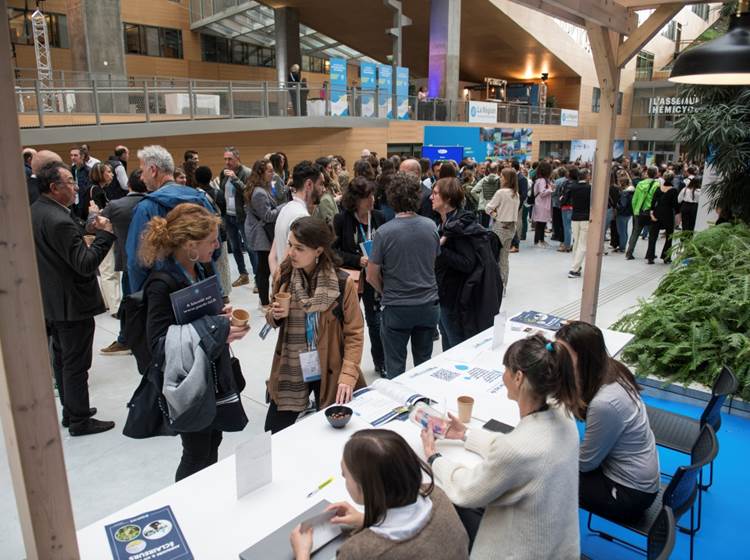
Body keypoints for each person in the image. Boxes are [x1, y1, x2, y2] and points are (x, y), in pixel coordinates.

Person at [421, 334, 581, 559]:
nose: (502, 375)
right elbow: (517, 450)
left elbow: (466, 490)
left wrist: (434, 458)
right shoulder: (563, 415)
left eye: (506, 369)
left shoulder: (517, 450)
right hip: (560, 546)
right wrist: (465, 434)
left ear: (518, 377)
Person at [139, 204, 249, 480]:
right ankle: (186, 506)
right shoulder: (162, 282)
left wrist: (217, 316)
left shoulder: (195, 269)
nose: (217, 246)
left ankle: (204, 496)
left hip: (208, 374)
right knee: (196, 451)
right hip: (188, 383)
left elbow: (194, 318)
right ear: (190, 245)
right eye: (212, 241)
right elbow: (158, 342)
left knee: (212, 441)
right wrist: (216, 329)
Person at [32, 161, 117, 436]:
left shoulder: (39, 211)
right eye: (70, 181)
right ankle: (79, 419)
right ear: (54, 188)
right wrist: (106, 235)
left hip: (53, 300)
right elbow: (84, 263)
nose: (76, 186)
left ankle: (72, 411)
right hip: (72, 302)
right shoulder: (57, 220)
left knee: (62, 359)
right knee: (77, 364)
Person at [290, 430, 469, 560]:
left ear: (366, 487)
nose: (342, 476)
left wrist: (302, 553)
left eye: (345, 473)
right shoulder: (436, 495)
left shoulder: (359, 551)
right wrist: (365, 519)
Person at [265, 217, 364, 433]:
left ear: (318, 251)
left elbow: (354, 332)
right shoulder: (284, 274)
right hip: (292, 364)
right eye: (290, 244)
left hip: (329, 364)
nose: (291, 252)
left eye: (299, 248)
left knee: (332, 430)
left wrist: (348, 375)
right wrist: (276, 315)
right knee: (275, 431)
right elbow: (271, 314)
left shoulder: (340, 282)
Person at [556, 321, 659, 522]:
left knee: (546, 475)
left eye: (564, 355)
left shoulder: (605, 403)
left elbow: (585, 464)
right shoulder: (610, 368)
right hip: (635, 472)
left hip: (630, 493)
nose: (558, 360)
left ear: (583, 357)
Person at [367, 172, 440, 379]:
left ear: (392, 198)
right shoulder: (431, 227)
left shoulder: (384, 232)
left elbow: (371, 275)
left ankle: (399, 408)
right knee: (423, 366)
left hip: (397, 307)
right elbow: (432, 264)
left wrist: (385, 290)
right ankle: (422, 406)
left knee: (396, 367)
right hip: (427, 305)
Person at [126, 145, 218, 292]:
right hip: (204, 286)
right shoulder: (200, 198)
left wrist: (141, 298)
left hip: (164, 292)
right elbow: (215, 248)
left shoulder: (145, 208)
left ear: (153, 170)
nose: (141, 177)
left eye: (142, 171)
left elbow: (136, 261)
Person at [333, 177, 387, 377]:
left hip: (375, 278)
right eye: (367, 196)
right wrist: (357, 260)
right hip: (352, 279)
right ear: (355, 199)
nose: (372, 199)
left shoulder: (380, 217)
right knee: (349, 323)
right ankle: (345, 367)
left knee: (376, 322)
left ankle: (381, 363)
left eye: (372, 195)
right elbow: (333, 252)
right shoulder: (342, 220)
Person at [99, 169, 148, 355]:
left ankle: (125, 339)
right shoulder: (155, 203)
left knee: (129, 303)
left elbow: (93, 226)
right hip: (156, 263)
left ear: (128, 185)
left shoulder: (116, 205)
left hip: (129, 262)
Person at [431, 178, 481, 350]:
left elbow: (467, 263)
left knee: (455, 345)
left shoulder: (459, 226)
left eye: (436, 194)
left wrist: (440, 250)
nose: (431, 197)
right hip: (443, 292)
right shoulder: (445, 222)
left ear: (448, 199)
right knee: (447, 338)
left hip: (454, 296)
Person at [269, 161, 325, 274]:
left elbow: (271, 257)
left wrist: (277, 283)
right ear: (309, 185)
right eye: (321, 184)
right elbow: (287, 261)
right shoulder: (301, 216)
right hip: (294, 286)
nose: (323, 189)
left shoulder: (286, 207)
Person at [244, 159, 281, 309]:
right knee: (263, 268)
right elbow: (267, 216)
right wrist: (283, 207)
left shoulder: (262, 188)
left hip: (261, 231)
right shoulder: (259, 192)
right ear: (261, 173)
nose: (273, 173)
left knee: (263, 267)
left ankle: (264, 299)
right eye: (270, 171)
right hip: (260, 233)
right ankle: (264, 302)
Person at [88, 162, 121, 314]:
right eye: (108, 172)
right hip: (99, 233)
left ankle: (109, 303)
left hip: (98, 233)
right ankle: (115, 307)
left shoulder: (99, 190)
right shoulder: (96, 191)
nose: (112, 174)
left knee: (106, 269)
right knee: (108, 270)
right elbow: (98, 215)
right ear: (100, 174)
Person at [218, 147, 253, 288]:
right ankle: (243, 275)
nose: (227, 162)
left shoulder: (246, 172)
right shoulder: (223, 173)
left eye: (229, 159)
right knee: (235, 247)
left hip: (242, 215)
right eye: (225, 159)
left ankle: (258, 279)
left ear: (237, 158)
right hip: (228, 215)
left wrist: (235, 179)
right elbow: (222, 190)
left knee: (250, 248)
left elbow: (248, 193)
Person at [486, 167, 519, 290]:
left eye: (501, 176)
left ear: (506, 179)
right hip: (511, 228)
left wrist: (496, 215)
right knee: (505, 259)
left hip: (499, 227)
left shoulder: (500, 193)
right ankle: (503, 285)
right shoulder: (516, 194)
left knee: (494, 257)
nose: (500, 178)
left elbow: (488, 208)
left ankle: (494, 285)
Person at [625, 166, 661, 260]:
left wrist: (635, 210)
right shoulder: (657, 185)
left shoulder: (640, 184)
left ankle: (629, 253)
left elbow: (634, 199)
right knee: (652, 234)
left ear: (647, 173)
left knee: (635, 233)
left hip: (639, 211)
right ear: (656, 174)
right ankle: (649, 254)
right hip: (650, 212)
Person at [562, 167, 592, 279]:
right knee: (583, 244)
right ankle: (574, 269)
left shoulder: (572, 187)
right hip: (585, 218)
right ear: (587, 176)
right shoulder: (590, 188)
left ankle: (576, 266)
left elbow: (564, 200)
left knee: (576, 243)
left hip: (575, 217)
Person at [645, 171, 679, 265]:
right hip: (668, 215)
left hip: (657, 213)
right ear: (673, 178)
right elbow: (675, 205)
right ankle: (666, 257)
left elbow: (652, 203)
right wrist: (678, 217)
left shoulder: (658, 188)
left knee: (653, 236)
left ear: (663, 178)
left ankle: (650, 257)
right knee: (669, 236)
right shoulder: (674, 190)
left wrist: (652, 214)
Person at [471, 162, 500, 227]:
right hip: (496, 208)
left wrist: (481, 199)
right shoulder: (500, 180)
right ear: (497, 170)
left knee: (484, 228)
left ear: (489, 170)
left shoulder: (483, 180)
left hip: (484, 207)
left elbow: (473, 191)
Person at [531, 161, 553, 247]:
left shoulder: (541, 179)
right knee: (540, 223)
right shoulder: (542, 180)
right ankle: (538, 241)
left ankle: (541, 240)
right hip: (541, 205)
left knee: (542, 223)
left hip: (541, 204)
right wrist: (551, 189)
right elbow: (542, 192)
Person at [615, 172, 634, 253]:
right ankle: (623, 245)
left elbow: (622, 205)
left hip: (622, 214)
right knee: (625, 230)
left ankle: (622, 247)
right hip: (628, 213)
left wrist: (617, 207)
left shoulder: (624, 193)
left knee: (621, 231)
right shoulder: (631, 191)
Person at [678, 167, 701, 233]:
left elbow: (679, 199)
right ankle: (690, 238)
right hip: (695, 207)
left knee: (684, 224)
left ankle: (683, 239)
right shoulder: (700, 191)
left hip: (685, 206)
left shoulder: (685, 189)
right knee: (692, 224)